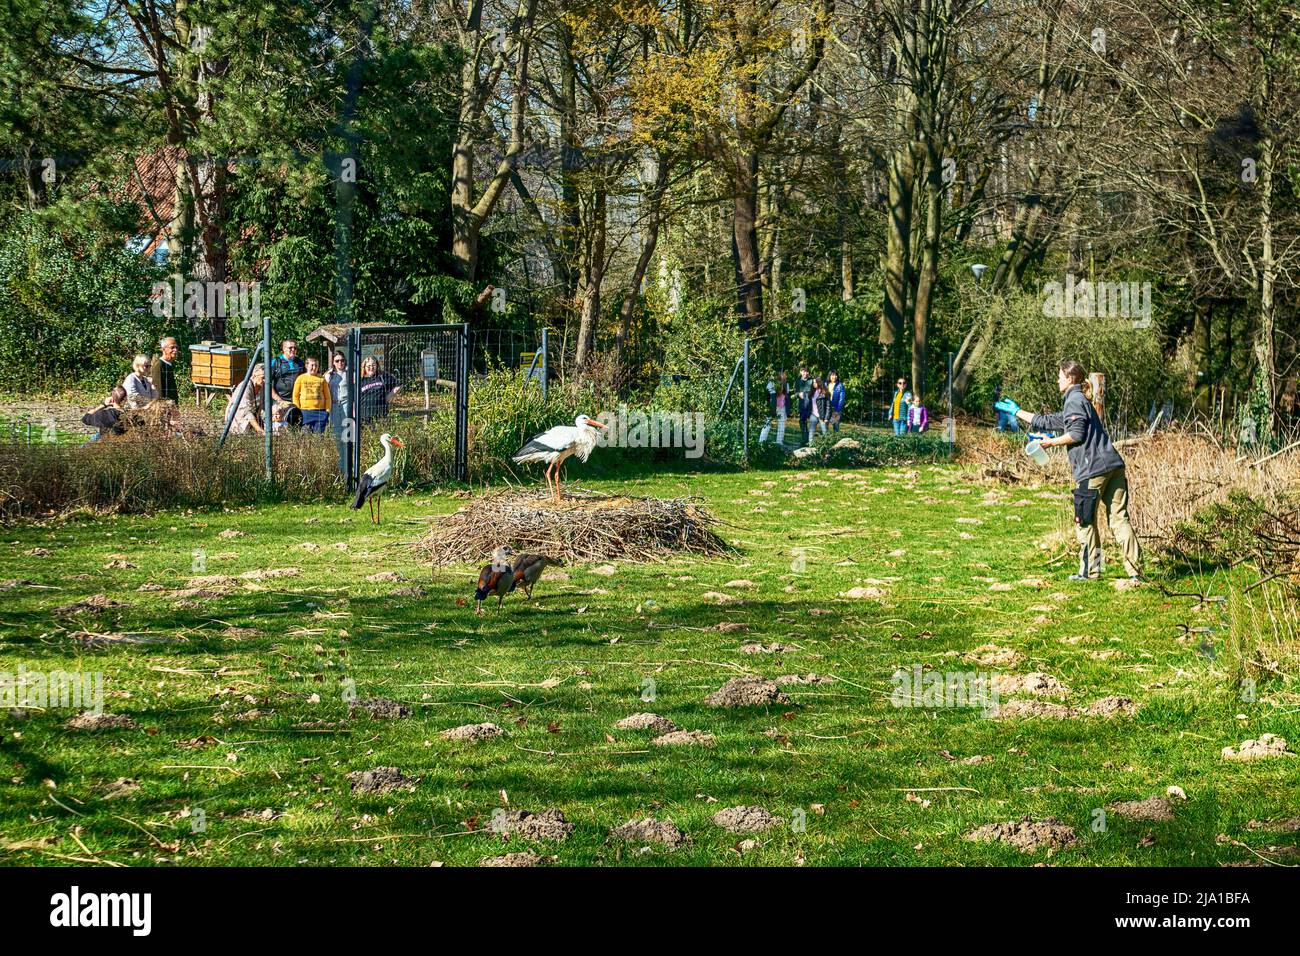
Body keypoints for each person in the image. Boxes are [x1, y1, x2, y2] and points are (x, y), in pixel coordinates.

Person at [996, 359, 1142, 582]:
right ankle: (1136, 573)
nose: (1057, 379)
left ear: (1070, 378)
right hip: (1114, 466)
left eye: (1060, 376)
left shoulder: (1073, 400)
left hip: (1091, 469)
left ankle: (1090, 571)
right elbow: (1048, 421)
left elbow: (1076, 434)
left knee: (1084, 521)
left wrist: (1050, 444)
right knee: (1120, 519)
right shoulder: (1078, 400)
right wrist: (1017, 412)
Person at [327, 352, 353, 474]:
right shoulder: (329, 375)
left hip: (346, 403)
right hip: (334, 405)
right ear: (333, 362)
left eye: (342, 360)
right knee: (337, 435)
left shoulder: (349, 374)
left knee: (347, 435)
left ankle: (349, 466)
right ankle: (340, 467)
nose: (340, 363)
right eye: (337, 361)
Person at [357, 355, 400, 425]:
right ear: (364, 367)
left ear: (377, 366)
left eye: (373, 365)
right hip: (363, 417)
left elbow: (399, 385)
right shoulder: (360, 380)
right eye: (368, 366)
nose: (371, 368)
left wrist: (388, 397)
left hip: (380, 416)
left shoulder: (382, 376)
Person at [293, 356, 332, 433]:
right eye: (312, 365)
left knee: (318, 439)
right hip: (305, 412)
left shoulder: (322, 379)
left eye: (316, 365)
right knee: (305, 438)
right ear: (306, 366)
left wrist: (327, 411)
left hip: (320, 413)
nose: (314, 368)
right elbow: (295, 396)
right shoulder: (300, 378)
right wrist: (297, 410)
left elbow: (327, 396)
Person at [269, 340, 305, 422]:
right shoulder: (276, 362)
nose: (293, 350)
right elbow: (268, 383)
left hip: (296, 401)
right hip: (280, 401)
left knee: (296, 423)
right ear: (284, 349)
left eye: (295, 348)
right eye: (290, 348)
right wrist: (279, 400)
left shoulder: (300, 362)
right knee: (279, 425)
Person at [225, 363, 266, 435]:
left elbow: (261, 406)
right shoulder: (245, 387)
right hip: (237, 419)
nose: (265, 380)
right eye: (263, 377)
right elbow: (246, 412)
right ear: (254, 375)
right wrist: (260, 430)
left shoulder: (262, 386)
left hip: (253, 419)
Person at [758, 370, 788, 445]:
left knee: (782, 424)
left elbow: (786, 396)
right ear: (779, 374)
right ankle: (761, 441)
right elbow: (770, 396)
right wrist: (771, 409)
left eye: (785, 374)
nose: (785, 375)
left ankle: (779, 442)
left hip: (782, 407)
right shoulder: (771, 383)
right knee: (767, 423)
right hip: (772, 406)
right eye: (784, 373)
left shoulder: (786, 384)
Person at [149, 337, 180, 403]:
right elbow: (158, 391)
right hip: (164, 409)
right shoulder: (159, 365)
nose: (175, 350)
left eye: (176, 347)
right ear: (163, 349)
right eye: (172, 347)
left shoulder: (169, 364)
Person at [795, 366, 813, 445]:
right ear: (800, 372)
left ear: (808, 372)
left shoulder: (812, 381)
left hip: (811, 405)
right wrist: (799, 394)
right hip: (801, 405)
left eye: (806, 371)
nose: (805, 373)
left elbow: (815, 391)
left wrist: (807, 394)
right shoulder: (798, 381)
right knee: (802, 421)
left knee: (812, 422)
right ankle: (805, 439)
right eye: (803, 371)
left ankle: (810, 440)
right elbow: (795, 393)